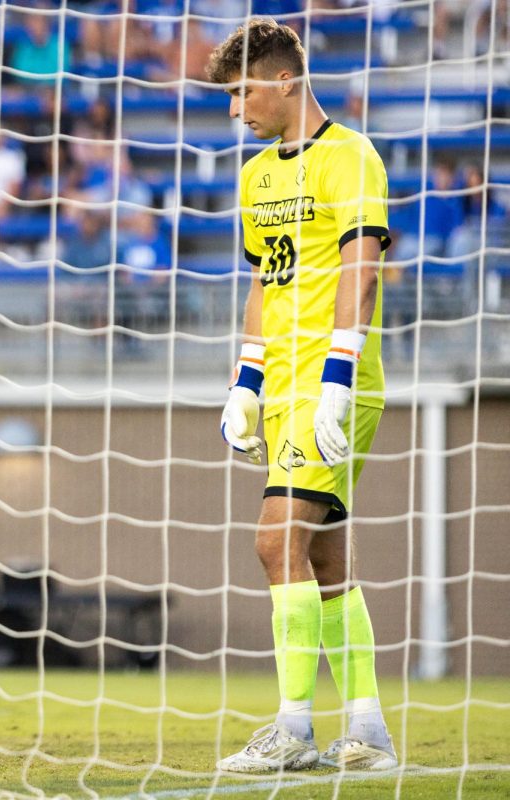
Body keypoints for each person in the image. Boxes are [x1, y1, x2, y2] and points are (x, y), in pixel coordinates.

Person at [208, 20, 397, 773]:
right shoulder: (256, 176)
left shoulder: (352, 156)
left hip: (331, 381)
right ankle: (370, 733)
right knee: (324, 562)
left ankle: (293, 732)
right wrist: (245, 385)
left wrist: (337, 383)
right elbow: (264, 281)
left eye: (242, 91)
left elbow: (363, 272)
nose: (235, 110)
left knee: (273, 540)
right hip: (281, 384)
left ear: (285, 79)